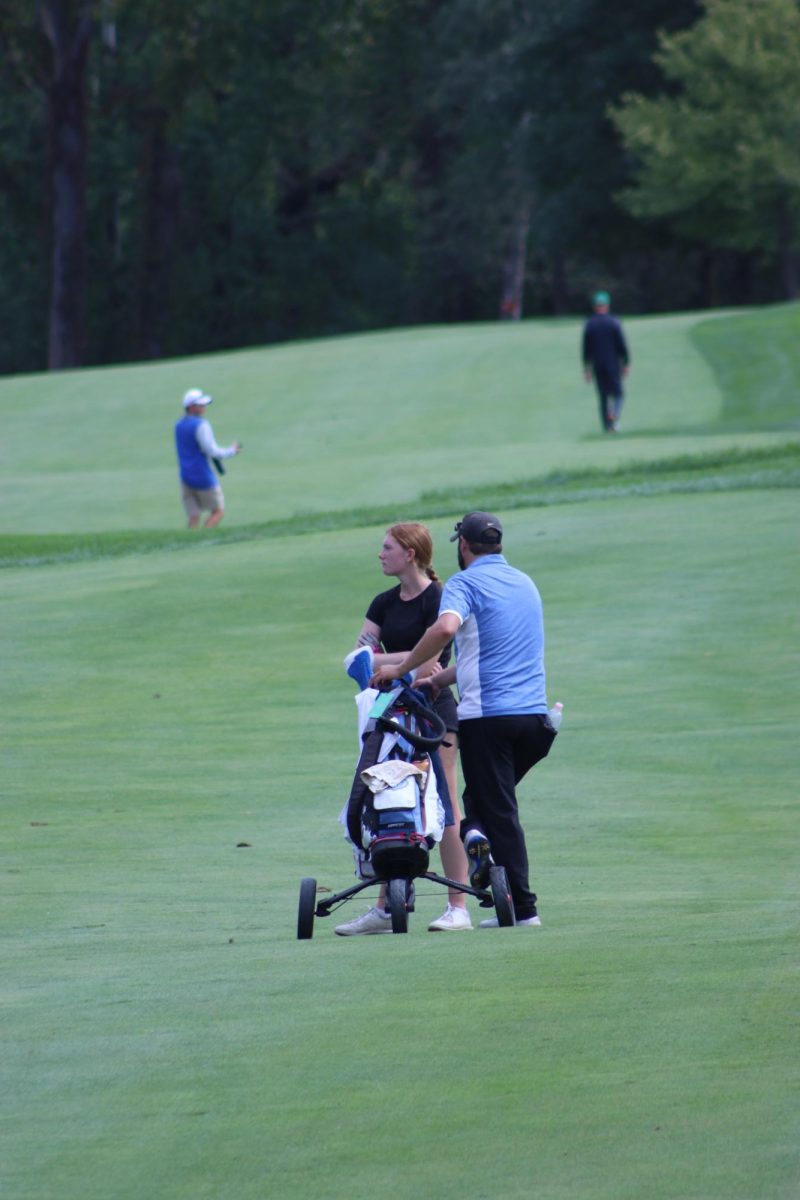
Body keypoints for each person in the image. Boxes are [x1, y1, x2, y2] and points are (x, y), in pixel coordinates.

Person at [371, 511, 557, 929]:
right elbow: (489, 655)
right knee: (487, 801)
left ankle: (523, 909)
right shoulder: (524, 582)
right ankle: (479, 843)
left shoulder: (464, 583)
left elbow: (445, 629)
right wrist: (439, 680)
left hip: (489, 719)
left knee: (498, 812)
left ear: (464, 546)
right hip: (535, 721)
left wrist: (402, 671)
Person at [335, 522, 472, 935]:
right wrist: (403, 661)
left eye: (387, 547)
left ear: (410, 553)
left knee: (443, 801)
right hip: (389, 712)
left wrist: (388, 664)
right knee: (383, 797)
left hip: (435, 713)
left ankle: (458, 906)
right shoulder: (383, 602)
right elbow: (354, 656)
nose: (381, 554)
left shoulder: (438, 597)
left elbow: (435, 663)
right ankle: (384, 906)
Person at [174, 388, 242, 528]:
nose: (204, 408)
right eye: (200, 405)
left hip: (185, 476)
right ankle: (204, 539)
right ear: (191, 407)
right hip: (203, 476)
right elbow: (211, 451)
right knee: (218, 512)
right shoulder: (201, 424)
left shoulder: (179, 425)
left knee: (194, 516)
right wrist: (231, 451)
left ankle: (190, 544)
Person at [582, 291, 630, 433]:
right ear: (607, 305)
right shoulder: (614, 322)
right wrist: (626, 363)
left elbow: (586, 349)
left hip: (598, 366)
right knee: (618, 394)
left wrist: (587, 369)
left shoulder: (589, 324)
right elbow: (621, 345)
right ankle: (614, 414)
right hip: (613, 365)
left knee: (603, 397)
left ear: (595, 307)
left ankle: (607, 427)